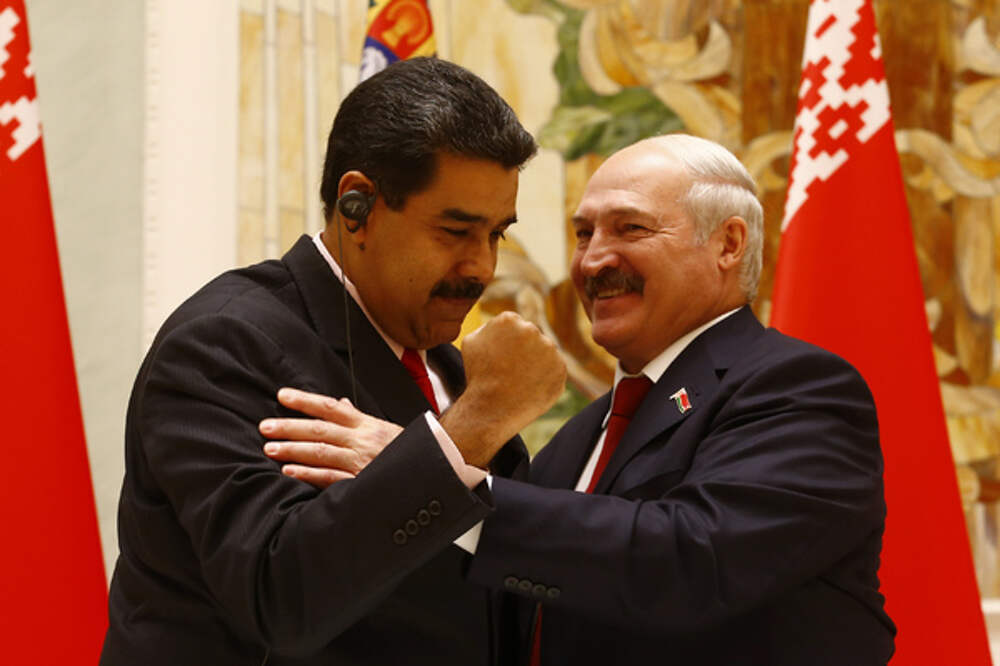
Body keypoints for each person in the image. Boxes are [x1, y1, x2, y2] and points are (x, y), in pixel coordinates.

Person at [264, 134, 897, 664]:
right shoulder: (576, 440)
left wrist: (431, 480)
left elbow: (690, 560)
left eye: (629, 228)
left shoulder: (801, 389)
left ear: (728, 244)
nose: (593, 262)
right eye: (583, 234)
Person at [100, 57, 566, 666]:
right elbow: (281, 596)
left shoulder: (451, 368)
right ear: (357, 207)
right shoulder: (221, 342)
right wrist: (472, 429)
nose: (483, 266)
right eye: (456, 231)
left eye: (497, 233)